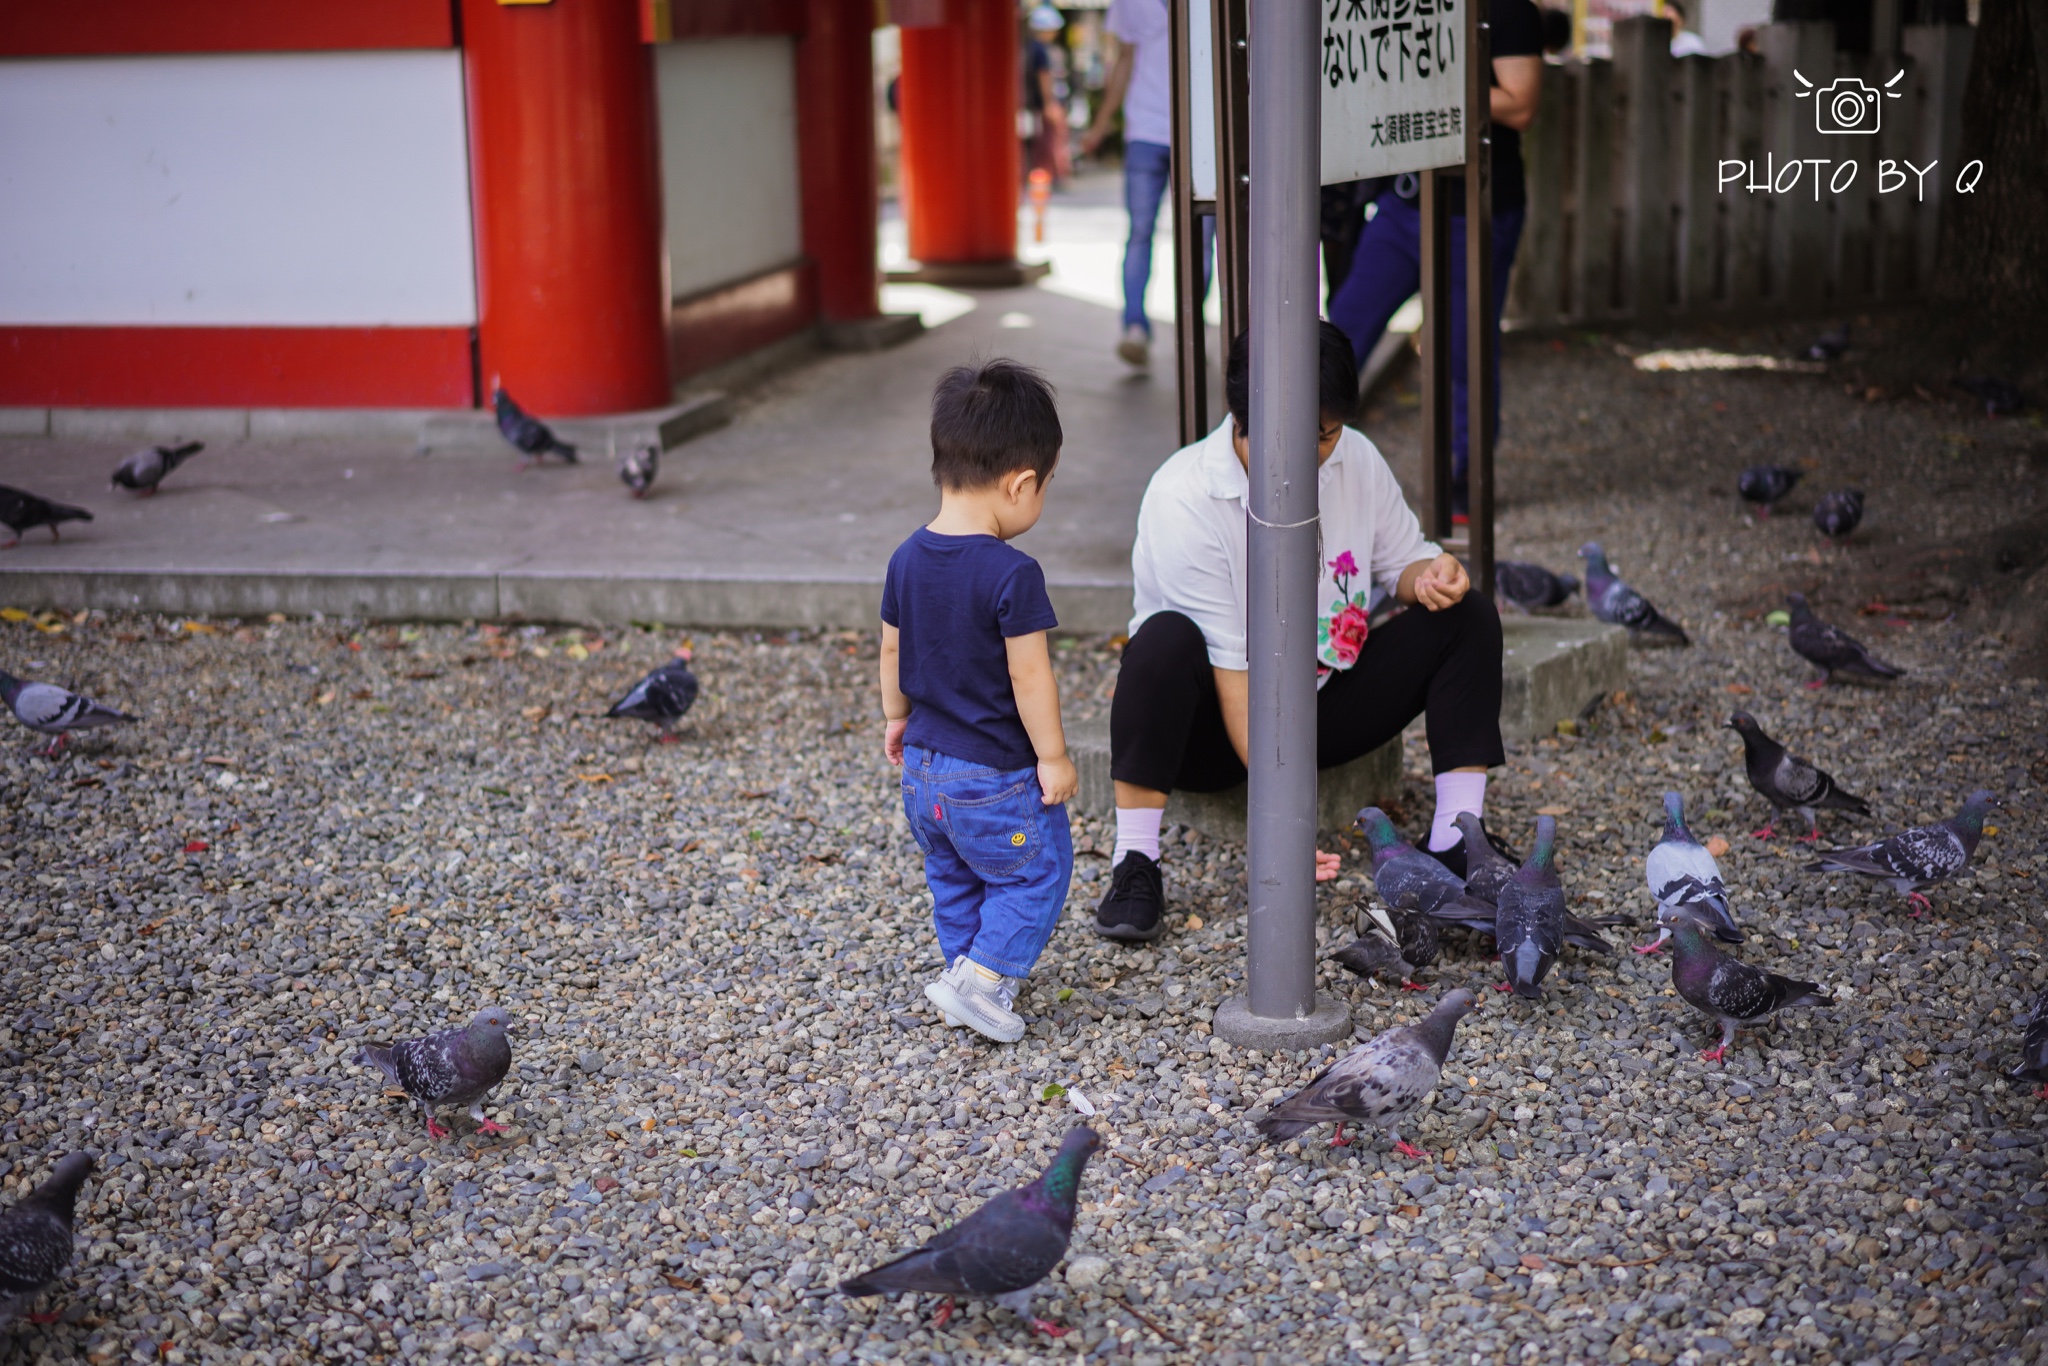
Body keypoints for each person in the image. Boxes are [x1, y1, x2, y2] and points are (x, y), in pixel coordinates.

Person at [1093, 324, 1507, 942]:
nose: (1320, 452)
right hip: (1210, 727)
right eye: (1304, 436)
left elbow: (1401, 562)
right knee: (1163, 641)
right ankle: (1136, 861)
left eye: (1329, 433)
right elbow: (1235, 679)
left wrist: (1432, 577)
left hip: (1320, 702)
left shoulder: (1353, 457)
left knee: (1466, 613)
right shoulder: (1184, 495)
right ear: (1244, 419)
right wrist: (1282, 824)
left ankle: (1457, 836)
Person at [880, 360, 1079, 1043]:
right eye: (1045, 487)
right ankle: (984, 980)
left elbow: (889, 651)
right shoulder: (1012, 574)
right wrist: (1052, 757)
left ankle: (961, 974)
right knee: (1038, 873)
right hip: (991, 777)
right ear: (1021, 482)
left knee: (956, 878)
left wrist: (896, 718)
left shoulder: (905, 558)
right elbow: (1030, 678)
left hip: (924, 775)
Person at [1325, 0, 1545, 524]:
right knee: (1342, 330)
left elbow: (1521, 104)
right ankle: (1294, 462)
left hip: (1479, 205)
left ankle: (1467, 480)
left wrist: (1427, 84)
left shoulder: (1509, 9)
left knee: (1464, 348)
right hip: (1403, 202)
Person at [1079, 0, 1212, 370]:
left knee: (1196, 237)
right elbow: (1125, 58)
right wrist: (1102, 124)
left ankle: (1191, 327)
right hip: (1146, 130)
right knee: (1142, 233)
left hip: (1199, 132)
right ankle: (1135, 326)